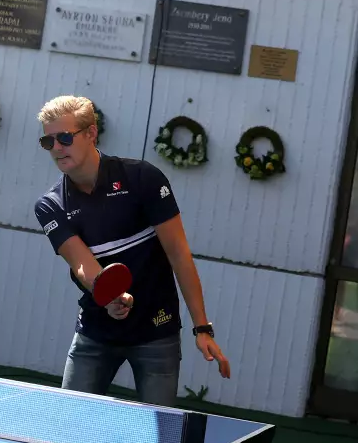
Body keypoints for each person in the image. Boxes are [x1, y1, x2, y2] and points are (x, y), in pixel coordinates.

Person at [33, 95, 230, 406]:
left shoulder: (142, 179)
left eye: (65, 137)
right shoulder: (50, 205)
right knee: (68, 427)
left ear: (91, 133)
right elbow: (82, 264)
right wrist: (110, 296)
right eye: (48, 141)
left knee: (157, 440)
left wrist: (201, 327)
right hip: (95, 334)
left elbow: (179, 253)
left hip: (157, 332)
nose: (57, 148)